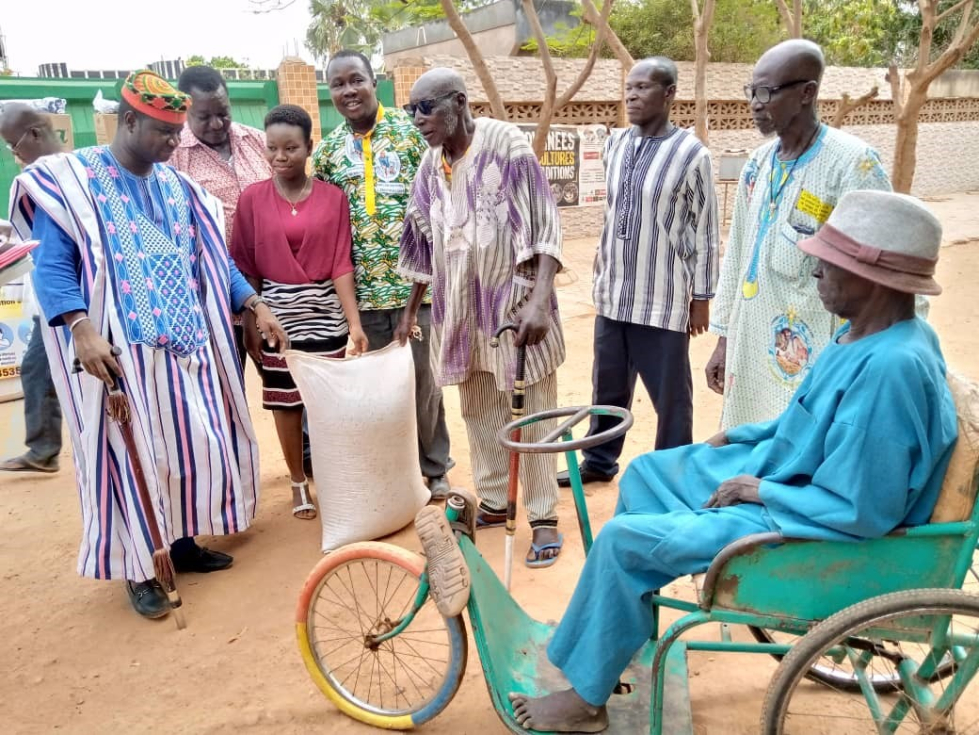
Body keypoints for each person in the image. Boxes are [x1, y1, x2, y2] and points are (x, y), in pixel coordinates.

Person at [507, 190, 957, 733]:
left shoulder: (891, 370)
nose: (815, 271)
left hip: (807, 519)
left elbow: (863, 509)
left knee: (622, 542)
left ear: (876, 279)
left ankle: (585, 702)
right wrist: (747, 435)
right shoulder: (869, 331)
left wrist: (760, 490)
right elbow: (809, 417)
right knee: (649, 472)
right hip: (788, 473)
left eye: (830, 263)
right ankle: (620, 625)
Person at [8, 71, 288, 620]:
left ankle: (181, 544)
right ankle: (140, 568)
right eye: (163, 131)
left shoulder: (177, 188)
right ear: (129, 120)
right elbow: (52, 265)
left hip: (183, 350)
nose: (173, 142)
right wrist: (80, 327)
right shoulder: (75, 181)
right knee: (127, 463)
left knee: (185, 452)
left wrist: (253, 302)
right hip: (115, 353)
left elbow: (215, 262)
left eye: (176, 130)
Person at [398, 68, 566, 568]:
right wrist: (411, 308)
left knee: (531, 412)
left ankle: (542, 516)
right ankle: (495, 498)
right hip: (460, 312)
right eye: (411, 111)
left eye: (426, 108)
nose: (417, 120)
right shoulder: (431, 164)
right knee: (478, 409)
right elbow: (421, 238)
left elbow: (545, 228)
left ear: (459, 103)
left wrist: (538, 302)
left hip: (514, 306)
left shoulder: (506, 144)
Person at [705, 40, 892, 429]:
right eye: (751, 91)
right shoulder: (756, 167)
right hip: (748, 350)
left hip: (813, 358)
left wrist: (876, 361)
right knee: (743, 444)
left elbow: (887, 267)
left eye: (767, 92)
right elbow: (738, 255)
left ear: (807, 92)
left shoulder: (852, 165)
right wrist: (724, 339)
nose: (755, 103)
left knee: (798, 454)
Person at [557, 57, 719, 488]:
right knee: (607, 386)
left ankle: (673, 473)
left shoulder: (692, 154)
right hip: (613, 293)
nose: (631, 95)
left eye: (643, 87)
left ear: (669, 95)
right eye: (628, 87)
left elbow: (704, 229)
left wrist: (701, 298)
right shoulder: (616, 145)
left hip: (662, 296)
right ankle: (599, 461)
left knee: (671, 396)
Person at [313, 49, 452, 500]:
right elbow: (330, 230)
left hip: (422, 290)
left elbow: (439, 201)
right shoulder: (329, 152)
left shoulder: (412, 133)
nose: (348, 91)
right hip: (365, 295)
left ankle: (434, 468)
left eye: (357, 80)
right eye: (338, 84)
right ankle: (396, 475)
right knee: (379, 394)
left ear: (375, 82)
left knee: (424, 387)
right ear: (329, 91)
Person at [232, 104, 368, 521]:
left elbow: (342, 263)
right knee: (286, 404)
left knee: (327, 404)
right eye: (272, 148)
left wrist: (354, 324)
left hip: (325, 313)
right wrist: (251, 322)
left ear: (310, 147)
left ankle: (333, 477)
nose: (279, 156)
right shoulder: (252, 199)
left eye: (290, 147)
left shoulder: (333, 198)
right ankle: (297, 482)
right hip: (276, 316)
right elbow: (243, 267)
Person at [171, 65, 272, 371]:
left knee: (289, 392)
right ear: (185, 110)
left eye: (223, 113)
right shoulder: (175, 158)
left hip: (274, 295)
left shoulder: (258, 142)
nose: (217, 124)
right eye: (204, 117)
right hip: (213, 301)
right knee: (227, 396)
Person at [0, 104, 64, 474]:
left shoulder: (64, 175)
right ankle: (42, 450)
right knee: (37, 369)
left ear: (35, 134)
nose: (15, 154)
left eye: (14, 144)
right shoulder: (42, 179)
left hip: (75, 300)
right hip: (53, 298)